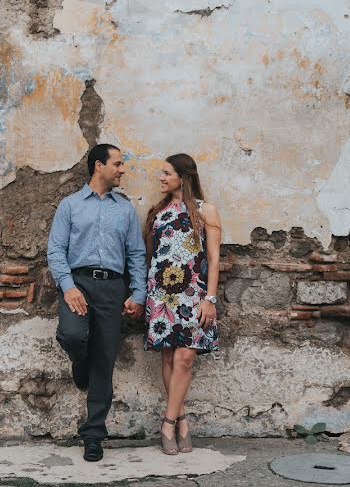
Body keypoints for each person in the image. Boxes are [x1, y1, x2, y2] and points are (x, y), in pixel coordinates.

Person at [47, 143, 147, 462]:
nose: (122, 170)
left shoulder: (125, 209)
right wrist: (68, 286)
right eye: (117, 164)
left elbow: (136, 255)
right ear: (98, 166)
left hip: (112, 289)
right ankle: (79, 363)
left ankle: (93, 435)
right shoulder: (70, 205)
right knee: (72, 335)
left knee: (104, 359)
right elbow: (55, 251)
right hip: (78, 283)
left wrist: (138, 293)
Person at [143, 153, 221, 455]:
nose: (161, 178)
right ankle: (182, 420)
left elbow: (213, 259)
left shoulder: (207, 211)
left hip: (194, 295)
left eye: (166, 173)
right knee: (168, 358)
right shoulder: (157, 212)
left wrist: (209, 298)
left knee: (186, 358)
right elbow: (152, 258)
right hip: (162, 295)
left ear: (183, 176)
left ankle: (167, 422)